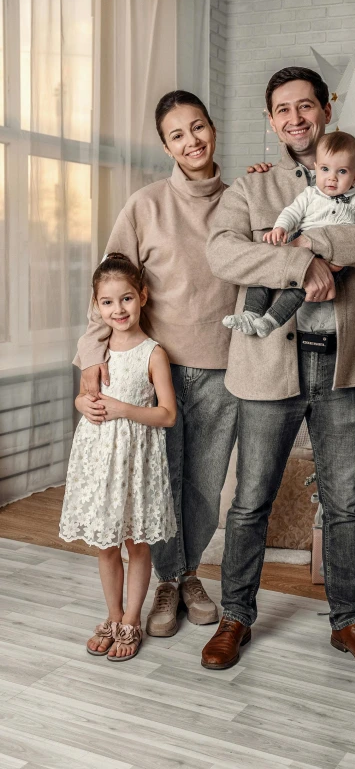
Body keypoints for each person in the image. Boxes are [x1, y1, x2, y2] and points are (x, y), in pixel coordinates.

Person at [204, 67, 355, 674]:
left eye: (305, 106)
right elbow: (222, 251)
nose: (295, 118)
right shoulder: (252, 186)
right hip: (271, 362)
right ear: (271, 122)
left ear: (326, 109)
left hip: (344, 367)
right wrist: (299, 268)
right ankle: (234, 616)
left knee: (344, 502)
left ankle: (349, 623)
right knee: (250, 501)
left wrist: (309, 248)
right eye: (282, 110)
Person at [73, 91, 240, 638]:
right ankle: (168, 580)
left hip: (222, 369)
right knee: (159, 484)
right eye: (177, 134)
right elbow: (110, 284)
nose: (191, 141)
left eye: (198, 127)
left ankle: (188, 574)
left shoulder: (242, 200)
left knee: (204, 485)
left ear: (213, 129)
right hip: (155, 373)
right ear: (165, 145)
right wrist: (88, 364)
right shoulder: (144, 206)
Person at [60, 254, 177, 661]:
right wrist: (81, 405)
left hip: (136, 458)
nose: (118, 310)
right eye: (107, 303)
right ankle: (111, 616)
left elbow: (167, 413)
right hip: (99, 458)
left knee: (135, 541)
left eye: (126, 299)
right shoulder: (96, 352)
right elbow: (83, 395)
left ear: (142, 296)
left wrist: (124, 409)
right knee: (106, 543)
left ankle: (131, 618)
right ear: (97, 306)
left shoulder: (153, 353)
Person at [223, 130, 355, 338]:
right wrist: (280, 228)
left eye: (342, 172)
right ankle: (251, 313)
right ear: (316, 169)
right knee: (266, 266)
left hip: (332, 257)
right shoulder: (310, 194)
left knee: (299, 288)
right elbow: (292, 212)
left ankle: (271, 320)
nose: (331, 178)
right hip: (297, 239)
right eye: (325, 169)